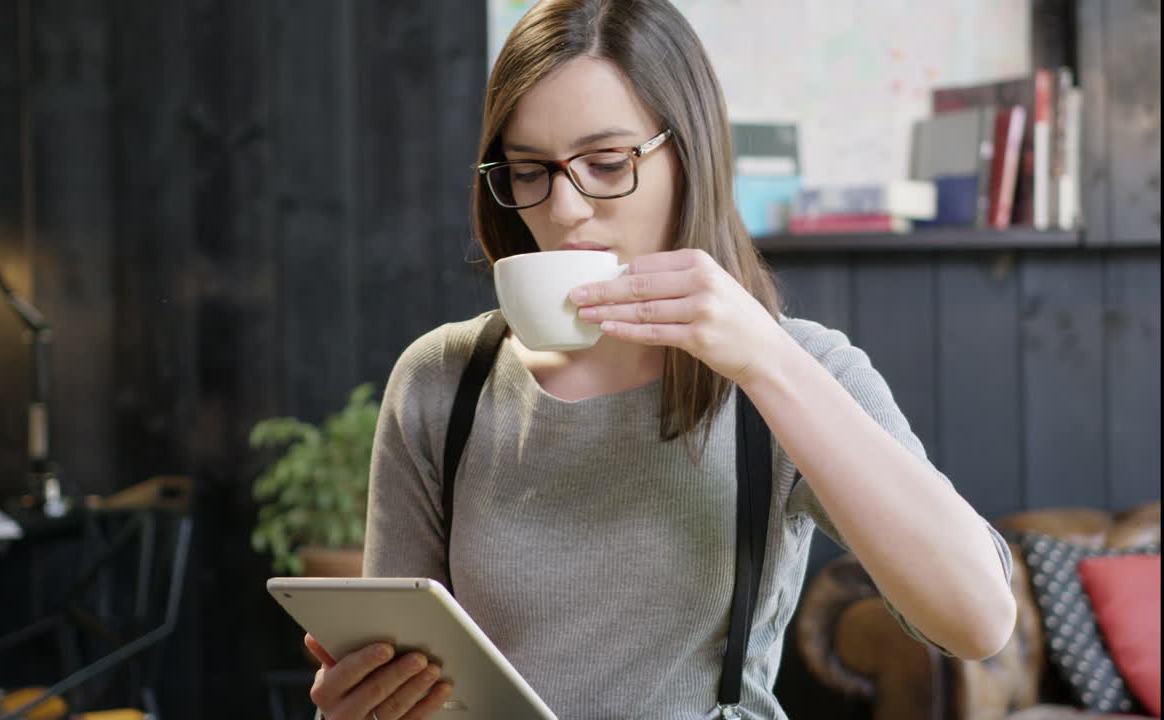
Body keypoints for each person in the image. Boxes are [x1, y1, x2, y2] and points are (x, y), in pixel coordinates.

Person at [303, 1, 1017, 718]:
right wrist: (358, 706)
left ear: (691, 153)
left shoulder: (794, 367)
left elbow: (977, 621)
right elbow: (405, 680)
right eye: (527, 172)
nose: (564, 211)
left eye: (607, 164)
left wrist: (766, 360)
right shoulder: (442, 381)